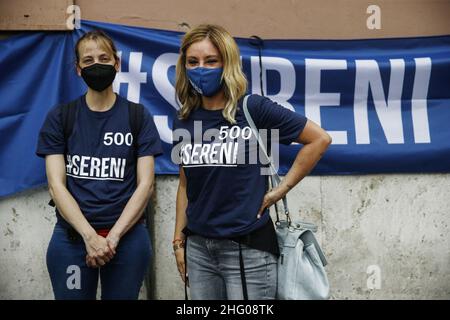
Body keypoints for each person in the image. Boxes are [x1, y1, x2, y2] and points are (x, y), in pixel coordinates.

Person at [172, 24, 332, 300]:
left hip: (248, 247)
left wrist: (280, 190)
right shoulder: (186, 118)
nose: (201, 68)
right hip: (198, 249)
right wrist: (178, 243)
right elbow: (186, 184)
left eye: (211, 61)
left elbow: (319, 140)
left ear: (227, 64)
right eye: (192, 62)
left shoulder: (252, 108)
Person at [36, 30, 163, 300]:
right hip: (72, 240)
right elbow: (56, 185)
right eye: (89, 60)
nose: (96, 65)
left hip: (127, 240)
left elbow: (146, 185)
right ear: (78, 69)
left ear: (117, 64)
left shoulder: (137, 116)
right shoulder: (61, 117)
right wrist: (90, 237)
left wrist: (113, 237)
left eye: (104, 58)